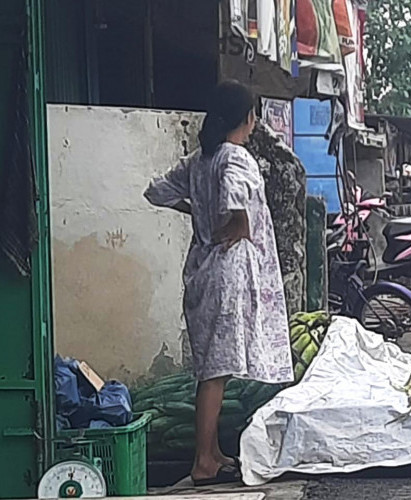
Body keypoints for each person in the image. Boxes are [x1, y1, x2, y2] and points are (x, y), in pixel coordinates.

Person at [144, 81, 293, 485]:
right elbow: (234, 196)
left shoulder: (198, 160)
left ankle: (212, 453)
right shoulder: (235, 159)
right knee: (216, 372)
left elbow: (155, 190)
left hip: (202, 268)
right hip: (227, 273)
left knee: (214, 369)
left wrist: (194, 209)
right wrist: (238, 222)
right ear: (246, 118)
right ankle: (203, 462)